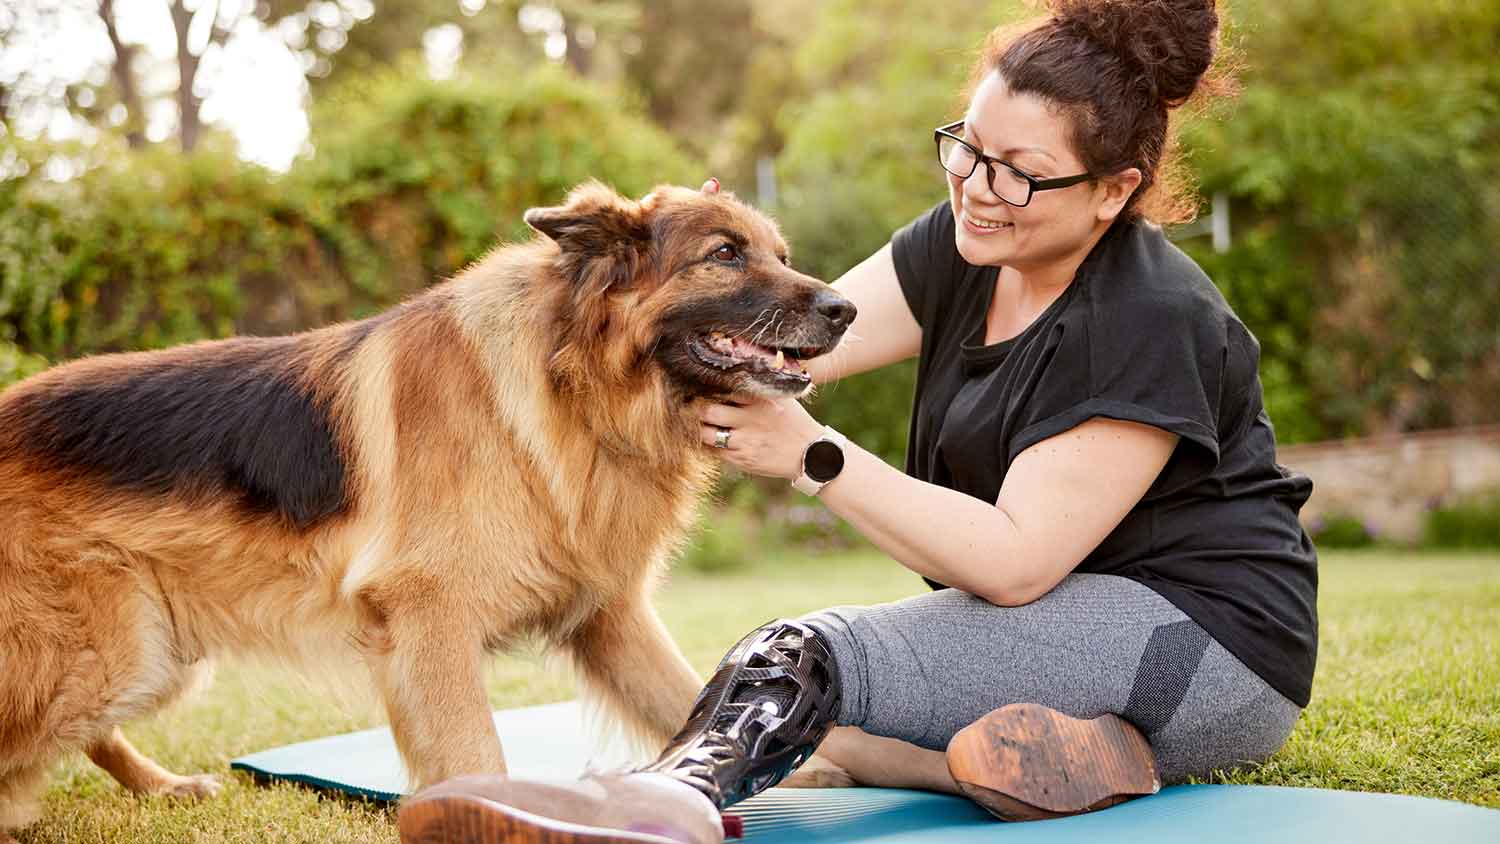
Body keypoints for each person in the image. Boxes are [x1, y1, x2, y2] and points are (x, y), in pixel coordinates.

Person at [396, 0, 1318, 841]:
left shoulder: (1149, 315)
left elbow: (1013, 560)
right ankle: (1006, 766)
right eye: (968, 145)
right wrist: (682, 273)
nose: (977, 185)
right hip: (1054, 626)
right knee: (821, 714)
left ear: (1113, 191)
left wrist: (816, 456)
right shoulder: (968, 244)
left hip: (1203, 644)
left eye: (1020, 173)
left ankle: (660, 807)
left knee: (799, 657)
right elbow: (794, 344)